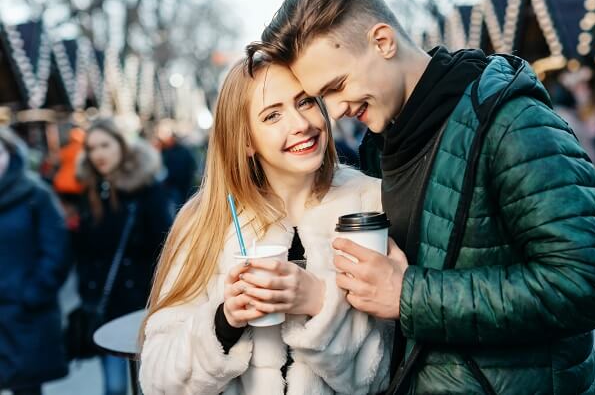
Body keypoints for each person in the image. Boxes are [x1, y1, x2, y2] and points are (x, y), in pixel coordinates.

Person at [246, 0, 595, 394]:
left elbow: (590, 283)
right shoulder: (382, 145)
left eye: (337, 86)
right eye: (323, 97)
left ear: (383, 42)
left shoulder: (512, 123)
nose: (334, 111)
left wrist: (409, 295)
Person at [139, 57, 391, 395]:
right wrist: (223, 324)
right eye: (272, 115)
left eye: (304, 102)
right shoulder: (206, 221)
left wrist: (318, 303)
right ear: (246, 142)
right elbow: (157, 379)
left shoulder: (371, 204)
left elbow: (389, 374)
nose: (300, 123)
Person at [74, 119, 174, 395]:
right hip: (105, 305)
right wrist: (87, 289)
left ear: (121, 145)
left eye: (105, 145)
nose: (98, 154)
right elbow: (84, 250)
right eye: (92, 148)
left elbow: (166, 246)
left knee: (151, 384)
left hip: (142, 304)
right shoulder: (92, 191)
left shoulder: (146, 190)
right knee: (115, 387)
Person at [0, 127, 71, 394]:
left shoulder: (34, 194)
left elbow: (57, 251)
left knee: (25, 389)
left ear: (11, 152)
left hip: (24, 316)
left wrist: (31, 294)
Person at [152, 119, 197, 210]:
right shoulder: (160, 150)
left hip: (178, 191)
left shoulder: (181, 151)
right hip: (169, 191)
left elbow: (187, 170)